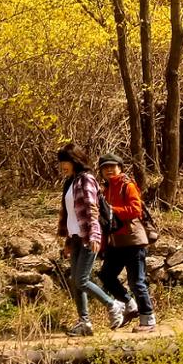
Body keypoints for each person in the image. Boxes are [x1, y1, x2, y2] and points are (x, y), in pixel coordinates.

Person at [56, 143, 127, 336]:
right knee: (75, 281)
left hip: (88, 236)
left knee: (81, 279)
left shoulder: (86, 179)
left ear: (75, 160)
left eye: (65, 161)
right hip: (75, 237)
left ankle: (113, 305)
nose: (62, 166)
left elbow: (91, 210)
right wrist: (68, 241)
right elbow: (70, 215)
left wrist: (95, 235)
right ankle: (84, 322)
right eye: (61, 162)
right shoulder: (70, 182)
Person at [97, 153, 157, 332]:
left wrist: (111, 210)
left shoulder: (127, 185)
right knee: (106, 276)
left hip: (133, 240)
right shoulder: (105, 190)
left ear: (120, 168)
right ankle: (130, 304)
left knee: (136, 282)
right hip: (115, 243)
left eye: (112, 166)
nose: (109, 170)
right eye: (105, 167)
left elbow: (135, 209)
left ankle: (148, 320)